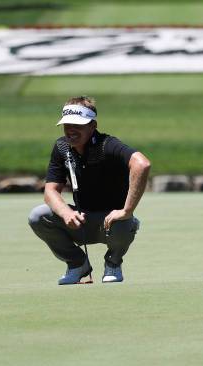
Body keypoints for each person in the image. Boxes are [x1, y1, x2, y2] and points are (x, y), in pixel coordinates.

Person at [28, 96, 151, 285]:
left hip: (112, 223)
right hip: (80, 221)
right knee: (38, 216)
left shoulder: (107, 144)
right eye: (67, 124)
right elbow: (50, 190)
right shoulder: (62, 147)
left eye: (78, 125)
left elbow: (141, 164)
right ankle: (77, 264)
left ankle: (113, 263)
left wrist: (126, 211)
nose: (70, 130)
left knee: (123, 222)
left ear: (92, 125)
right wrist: (65, 212)